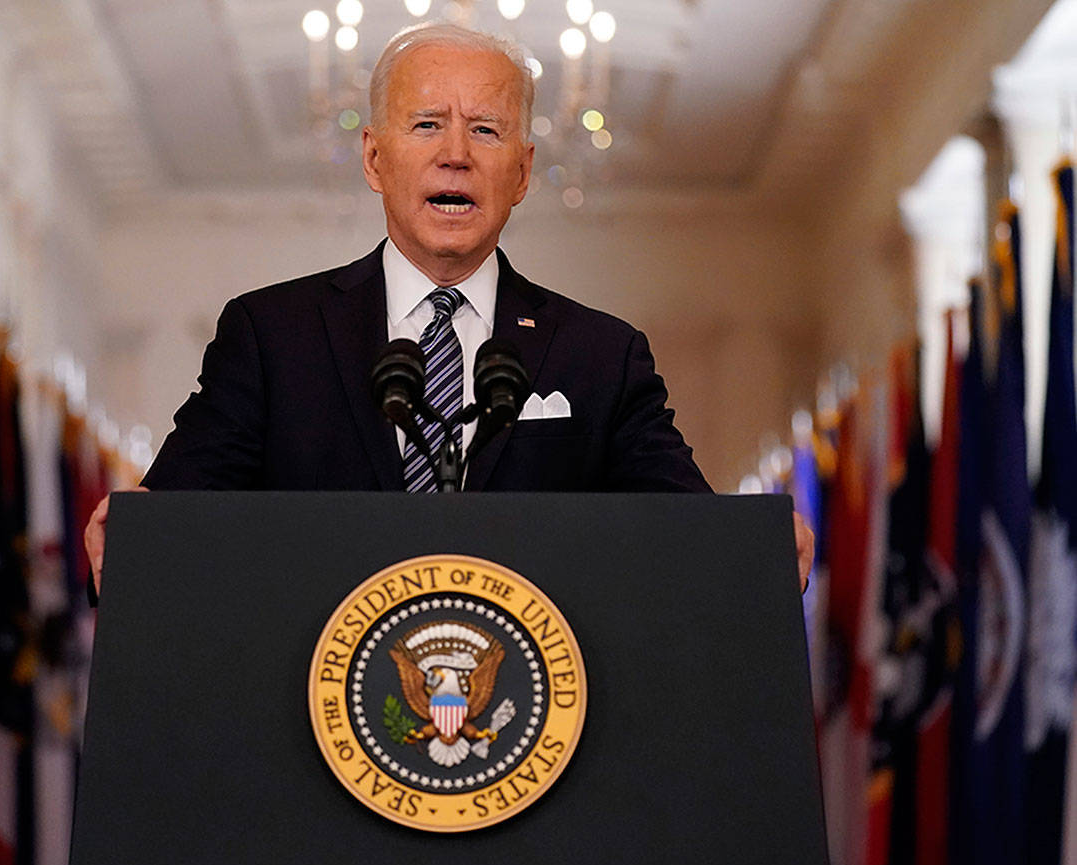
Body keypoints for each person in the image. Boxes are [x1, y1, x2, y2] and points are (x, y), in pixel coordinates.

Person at [84, 22, 815, 593]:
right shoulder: (272, 338)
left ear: (523, 171)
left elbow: (690, 535)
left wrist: (757, 550)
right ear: (375, 159)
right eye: (427, 123)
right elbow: (173, 525)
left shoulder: (601, 356)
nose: (456, 154)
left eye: (487, 129)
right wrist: (133, 534)